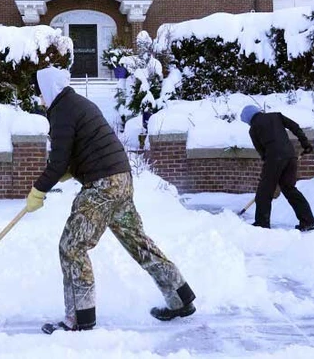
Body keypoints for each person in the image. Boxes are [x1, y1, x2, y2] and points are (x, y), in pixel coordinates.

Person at [26, 67, 196, 333]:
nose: (40, 100)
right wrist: (66, 172)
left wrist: (38, 190)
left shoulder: (61, 111)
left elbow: (58, 160)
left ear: (47, 90)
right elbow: (83, 147)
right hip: (121, 180)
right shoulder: (77, 104)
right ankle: (181, 297)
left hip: (103, 186)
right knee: (138, 242)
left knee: (72, 246)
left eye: (40, 95)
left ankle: (79, 319)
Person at [240, 105, 314, 232]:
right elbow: (295, 126)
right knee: (290, 189)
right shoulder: (276, 116)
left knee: (264, 192)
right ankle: (308, 221)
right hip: (290, 156)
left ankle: (261, 224)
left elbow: (262, 151)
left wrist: (271, 171)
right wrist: (305, 144)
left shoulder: (253, 129)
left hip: (274, 158)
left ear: (249, 118)